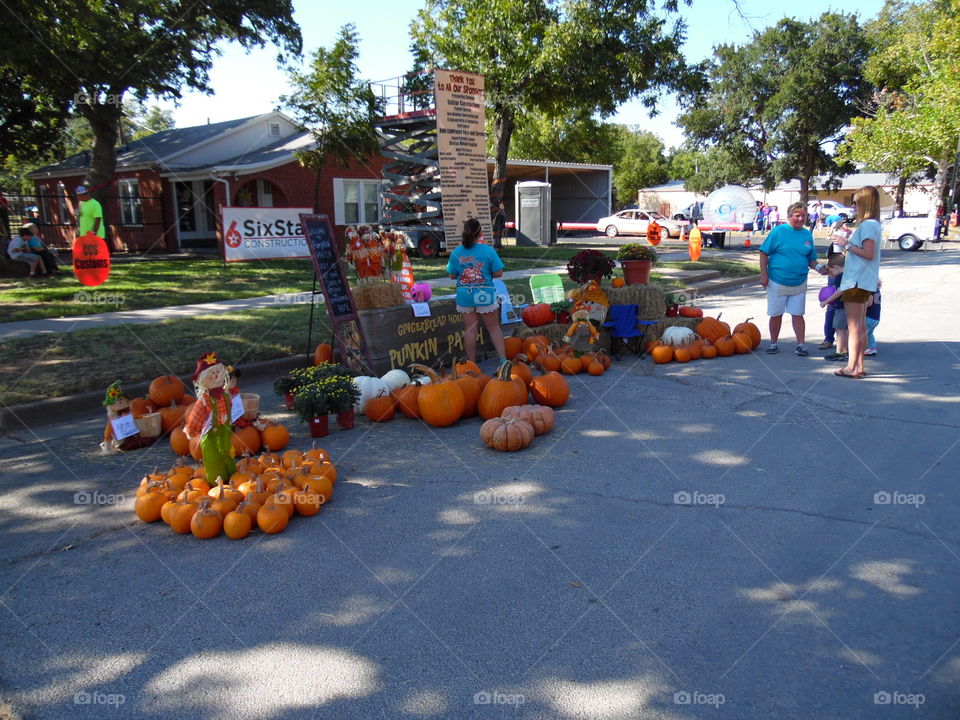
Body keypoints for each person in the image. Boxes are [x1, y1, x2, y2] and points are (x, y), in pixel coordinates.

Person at [758, 202, 828, 356]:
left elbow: (811, 259)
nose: (801, 219)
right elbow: (763, 252)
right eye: (797, 216)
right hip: (777, 280)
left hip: (799, 282)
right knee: (776, 314)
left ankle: (801, 344)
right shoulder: (778, 232)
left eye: (803, 216)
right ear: (789, 216)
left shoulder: (807, 234)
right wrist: (764, 274)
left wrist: (819, 268)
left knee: (798, 314)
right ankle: (773, 343)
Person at [447, 217, 507, 368]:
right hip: (485, 294)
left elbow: (452, 275)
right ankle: (503, 360)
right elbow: (499, 273)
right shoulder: (488, 250)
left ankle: (472, 365)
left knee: (470, 330)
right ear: (480, 233)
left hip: (465, 295)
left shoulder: (456, 251)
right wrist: (486, 274)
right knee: (493, 327)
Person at [835, 186, 882, 379]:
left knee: (854, 326)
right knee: (860, 326)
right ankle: (859, 365)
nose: (853, 206)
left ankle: (852, 367)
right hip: (862, 280)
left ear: (863, 203)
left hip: (856, 281)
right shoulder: (873, 225)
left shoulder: (868, 225)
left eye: (855, 202)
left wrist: (845, 243)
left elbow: (868, 253)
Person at [183, 352, 236, 486]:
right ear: (204, 378)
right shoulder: (205, 400)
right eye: (212, 373)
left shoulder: (225, 395)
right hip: (211, 434)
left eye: (218, 371)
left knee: (228, 454)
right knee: (213, 459)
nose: (216, 375)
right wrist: (191, 429)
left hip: (225, 431)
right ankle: (216, 483)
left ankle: (231, 475)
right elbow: (196, 416)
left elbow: (230, 409)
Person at [819, 255, 848, 361]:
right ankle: (846, 350)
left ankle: (840, 352)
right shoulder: (849, 274)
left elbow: (840, 291)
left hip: (841, 307)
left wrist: (826, 301)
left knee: (839, 330)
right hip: (849, 306)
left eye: (831, 271)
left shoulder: (840, 276)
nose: (831, 274)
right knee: (845, 330)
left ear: (836, 267)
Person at [864, 283, 881, 357]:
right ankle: (872, 348)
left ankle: (859, 349)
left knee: (862, 334)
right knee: (869, 334)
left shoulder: (871, 290)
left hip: (869, 317)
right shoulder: (877, 290)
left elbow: (869, 303)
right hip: (875, 317)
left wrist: (860, 306)